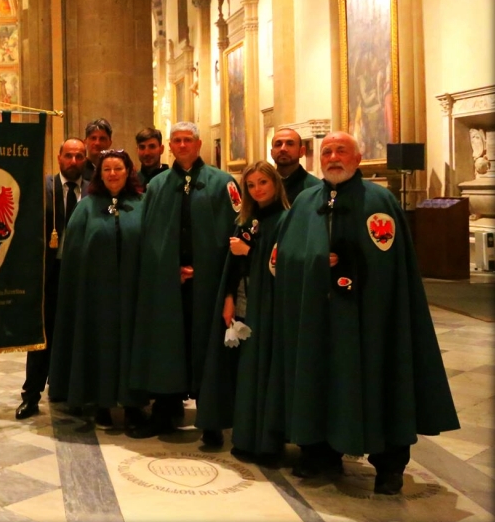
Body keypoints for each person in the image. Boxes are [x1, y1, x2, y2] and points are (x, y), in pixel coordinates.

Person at [269, 132, 458, 495]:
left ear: (357, 159)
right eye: (327, 152)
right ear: (318, 159)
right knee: (317, 377)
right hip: (318, 318)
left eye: (342, 151)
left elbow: (391, 264)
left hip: (370, 319)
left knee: (379, 379)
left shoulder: (379, 200)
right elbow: (286, 258)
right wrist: (314, 263)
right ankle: (320, 452)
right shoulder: (307, 202)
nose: (333, 157)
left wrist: (352, 264)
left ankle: (389, 466)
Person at [128, 122, 239, 446]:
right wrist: (167, 269)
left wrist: (205, 271)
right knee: (168, 345)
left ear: (199, 143)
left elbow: (234, 231)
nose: (182, 145)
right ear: (170, 147)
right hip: (169, 285)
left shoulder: (222, 183)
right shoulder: (158, 186)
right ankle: (164, 412)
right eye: (176, 140)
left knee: (208, 347)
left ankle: (212, 422)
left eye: (188, 140)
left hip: (208, 286)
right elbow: (150, 237)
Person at [195, 161, 289, 462]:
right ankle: (245, 435)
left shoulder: (286, 219)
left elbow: (286, 264)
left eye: (263, 182)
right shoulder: (245, 219)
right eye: (251, 185)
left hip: (272, 305)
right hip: (245, 301)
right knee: (244, 371)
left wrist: (251, 252)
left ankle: (268, 441)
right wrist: (228, 299)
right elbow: (232, 267)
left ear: (275, 184)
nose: (257, 189)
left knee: (265, 371)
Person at [49, 149, 147, 429]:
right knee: (98, 344)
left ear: (128, 172)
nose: (113, 174)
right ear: (99, 174)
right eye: (107, 170)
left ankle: (132, 405)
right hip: (96, 296)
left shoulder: (142, 203)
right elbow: (75, 256)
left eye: (118, 168)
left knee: (131, 346)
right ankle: (100, 403)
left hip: (132, 294)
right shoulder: (86, 207)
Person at [17, 138, 87, 420]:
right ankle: (31, 396)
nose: (73, 161)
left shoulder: (93, 190)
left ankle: (76, 393)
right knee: (42, 338)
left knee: (78, 334)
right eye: (68, 155)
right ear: (58, 158)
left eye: (79, 156)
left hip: (82, 275)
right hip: (49, 274)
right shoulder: (42, 188)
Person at [271, 128, 318, 200]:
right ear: (272, 153)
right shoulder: (263, 186)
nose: (283, 148)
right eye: (278, 144)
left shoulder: (316, 188)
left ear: (301, 151)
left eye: (290, 144)